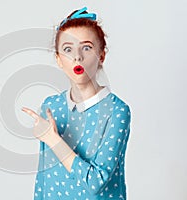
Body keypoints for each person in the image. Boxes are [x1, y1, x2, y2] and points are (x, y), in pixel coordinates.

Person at [22, 7, 131, 200]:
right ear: (58, 59)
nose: (77, 57)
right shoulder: (51, 106)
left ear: (101, 56)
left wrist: (53, 140)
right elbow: (44, 182)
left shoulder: (117, 111)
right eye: (68, 49)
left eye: (86, 48)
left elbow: (96, 182)